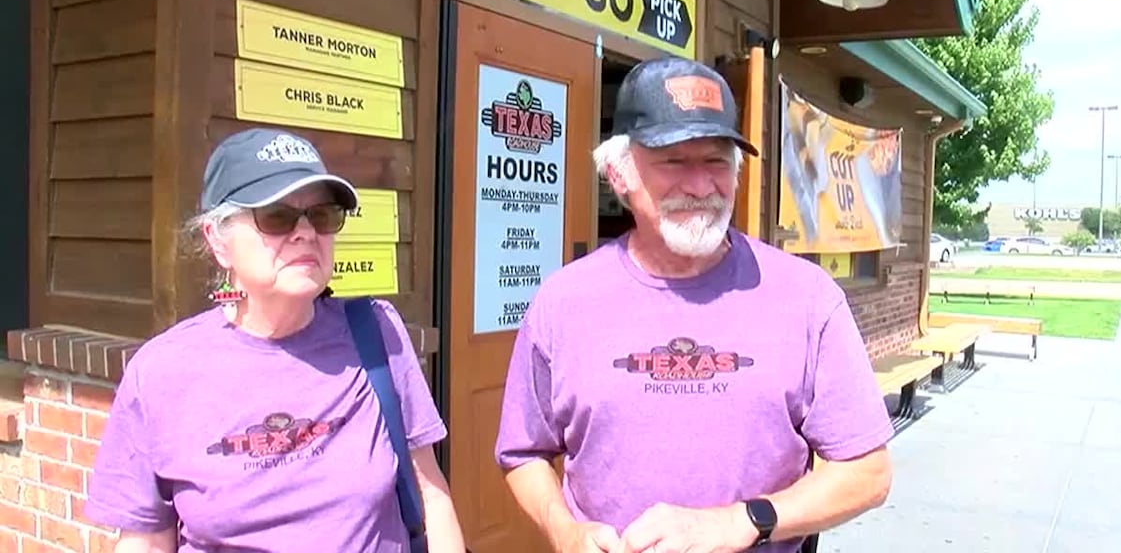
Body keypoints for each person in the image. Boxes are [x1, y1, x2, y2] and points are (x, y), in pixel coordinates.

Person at [493, 57, 894, 553]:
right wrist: (564, 532)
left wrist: (742, 521)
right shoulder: (563, 302)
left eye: (716, 162)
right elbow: (524, 453)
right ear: (619, 176)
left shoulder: (807, 298)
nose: (701, 186)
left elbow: (868, 472)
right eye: (674, 161)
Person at [86, 128, 466, 552]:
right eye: (277, 216)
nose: (305, 232)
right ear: (218, 241)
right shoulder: (160, 372)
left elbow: (432, 496)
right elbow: (146, 541)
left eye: (322, 215)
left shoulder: (376, 334)